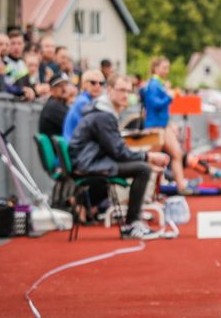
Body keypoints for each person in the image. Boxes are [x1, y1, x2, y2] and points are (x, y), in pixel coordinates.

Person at [69, 74, 169, 239]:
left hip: (91, 160)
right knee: (143, 169)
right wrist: (149, 157)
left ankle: (132, 222)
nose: (125, 95)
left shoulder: (104, 111)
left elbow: (116, 149)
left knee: (142, 166)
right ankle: (131, 224)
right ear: (109, 90)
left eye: (129, 91)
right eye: (121, 90)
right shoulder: (103, 115)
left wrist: (144, 156)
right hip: (89, 163)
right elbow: (119, 153)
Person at [140, 56, 191, 193]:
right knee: (153, 160)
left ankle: (181, 186)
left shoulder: (160, 84)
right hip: (154, 127)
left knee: (177, 153)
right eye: (164, 68)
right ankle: (148, 192)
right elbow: (154, 104)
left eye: (167, 68)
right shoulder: (152, 85)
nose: (167, 71)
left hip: (164, 125)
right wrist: (170, 96)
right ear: (156, 69)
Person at [64, 69, 106, 139]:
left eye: (101, 83)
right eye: (93, 82)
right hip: (76, 145)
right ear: (84, 84)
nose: (97, 86)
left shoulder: (86, 100)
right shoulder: (83, 102)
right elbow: (92, 130)